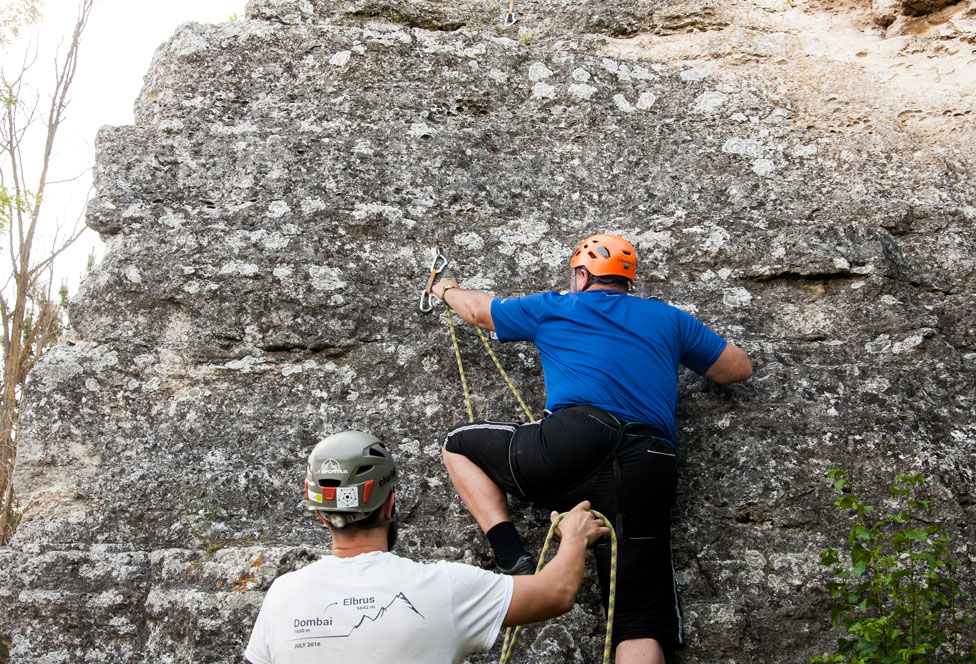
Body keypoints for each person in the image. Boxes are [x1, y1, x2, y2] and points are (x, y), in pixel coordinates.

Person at [430, 233, 752, 664]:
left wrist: (445, 288)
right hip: (649, 461)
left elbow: (477, 310)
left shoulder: (557, 306)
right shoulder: (669, 319)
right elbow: (737, 368)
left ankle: (511, 555)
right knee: (638, 620)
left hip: (576, 439)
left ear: (581, 275)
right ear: (626, 280)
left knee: (458, 444)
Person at [244, 430, 608, 664]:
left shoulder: (283, 596)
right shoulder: (442, 588)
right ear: (390, 503)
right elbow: (555, 592)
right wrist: (575, 537)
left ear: (321, 514)